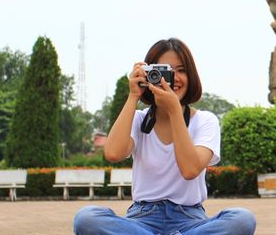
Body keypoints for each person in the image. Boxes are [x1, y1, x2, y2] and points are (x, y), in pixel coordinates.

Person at [73, 38, 256, 235]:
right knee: (86, 218)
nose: (173, 78)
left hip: (190, 219)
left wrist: (175, 112)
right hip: (142, 218)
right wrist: (133, 96)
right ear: (148, 75)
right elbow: (113, 153)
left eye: (181, 70)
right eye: (164, 71)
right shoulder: (139, 120)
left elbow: (190, 169)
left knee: (242, 219)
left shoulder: (205, 121)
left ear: (191, 75)